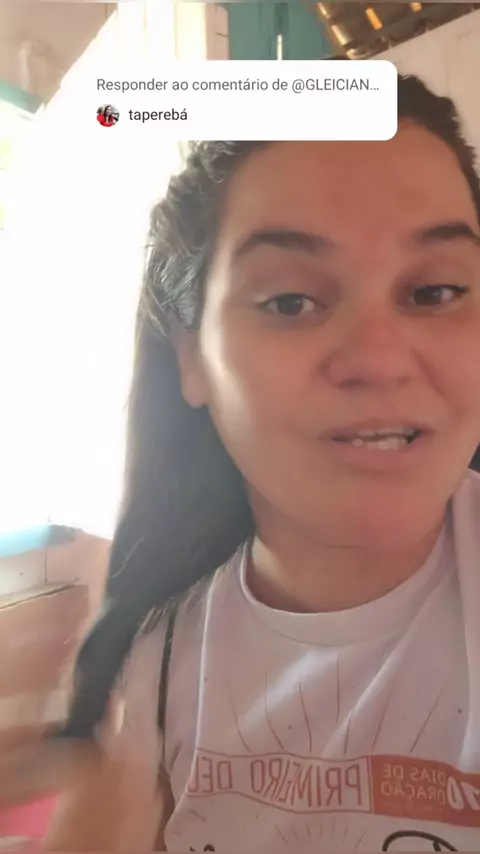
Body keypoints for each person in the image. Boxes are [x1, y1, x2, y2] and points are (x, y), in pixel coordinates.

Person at [2, 72, 480, 851]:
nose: (381, 359)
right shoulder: (153, 657)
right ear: (190, 358)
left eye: (435, 292)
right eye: (290, 302)